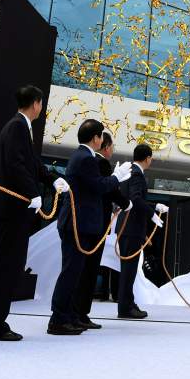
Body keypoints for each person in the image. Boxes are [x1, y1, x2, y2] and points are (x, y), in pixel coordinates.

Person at [0, 85, 68, 341]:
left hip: (10, 208)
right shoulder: (17, 127)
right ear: (35, 103)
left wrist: (53, 179)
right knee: (6, 267)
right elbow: (15, 164)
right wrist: (32, 192)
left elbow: (31, 164)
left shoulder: (22, 128)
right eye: (41, 103)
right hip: (12, 208)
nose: (41, 108)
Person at [48, 120, 131, 335]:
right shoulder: (86, 158)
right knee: (70, 273)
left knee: (74, 273)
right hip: (78, 224)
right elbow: (98, 187)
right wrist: (116, 177)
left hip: (80, 223)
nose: (103, 141)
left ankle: (69, 316)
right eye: (101, 136)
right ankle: (58, 320)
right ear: (95, 138)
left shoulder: (82, 156)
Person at [71, 131, 130, 328]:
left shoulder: (90, 160)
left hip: (91, 222)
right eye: (112, 146)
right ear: (105, 146)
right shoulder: (100, 162)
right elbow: (108, 189)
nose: (112, 150)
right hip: (94, 223)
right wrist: (126, 202)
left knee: (85, 269)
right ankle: (79, 313)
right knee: (88, 269)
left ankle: (78, 313)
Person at [116, 143, 166, 319]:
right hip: (131, 228)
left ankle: (127, 303)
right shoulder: (137, 174)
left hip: (125, 227)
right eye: (151, 158)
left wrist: (153, 206)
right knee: (129, 270)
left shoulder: (128, 171)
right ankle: (125, 307)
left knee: (127, 270)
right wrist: (152, 213)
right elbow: (135, 199)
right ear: (147, 158)